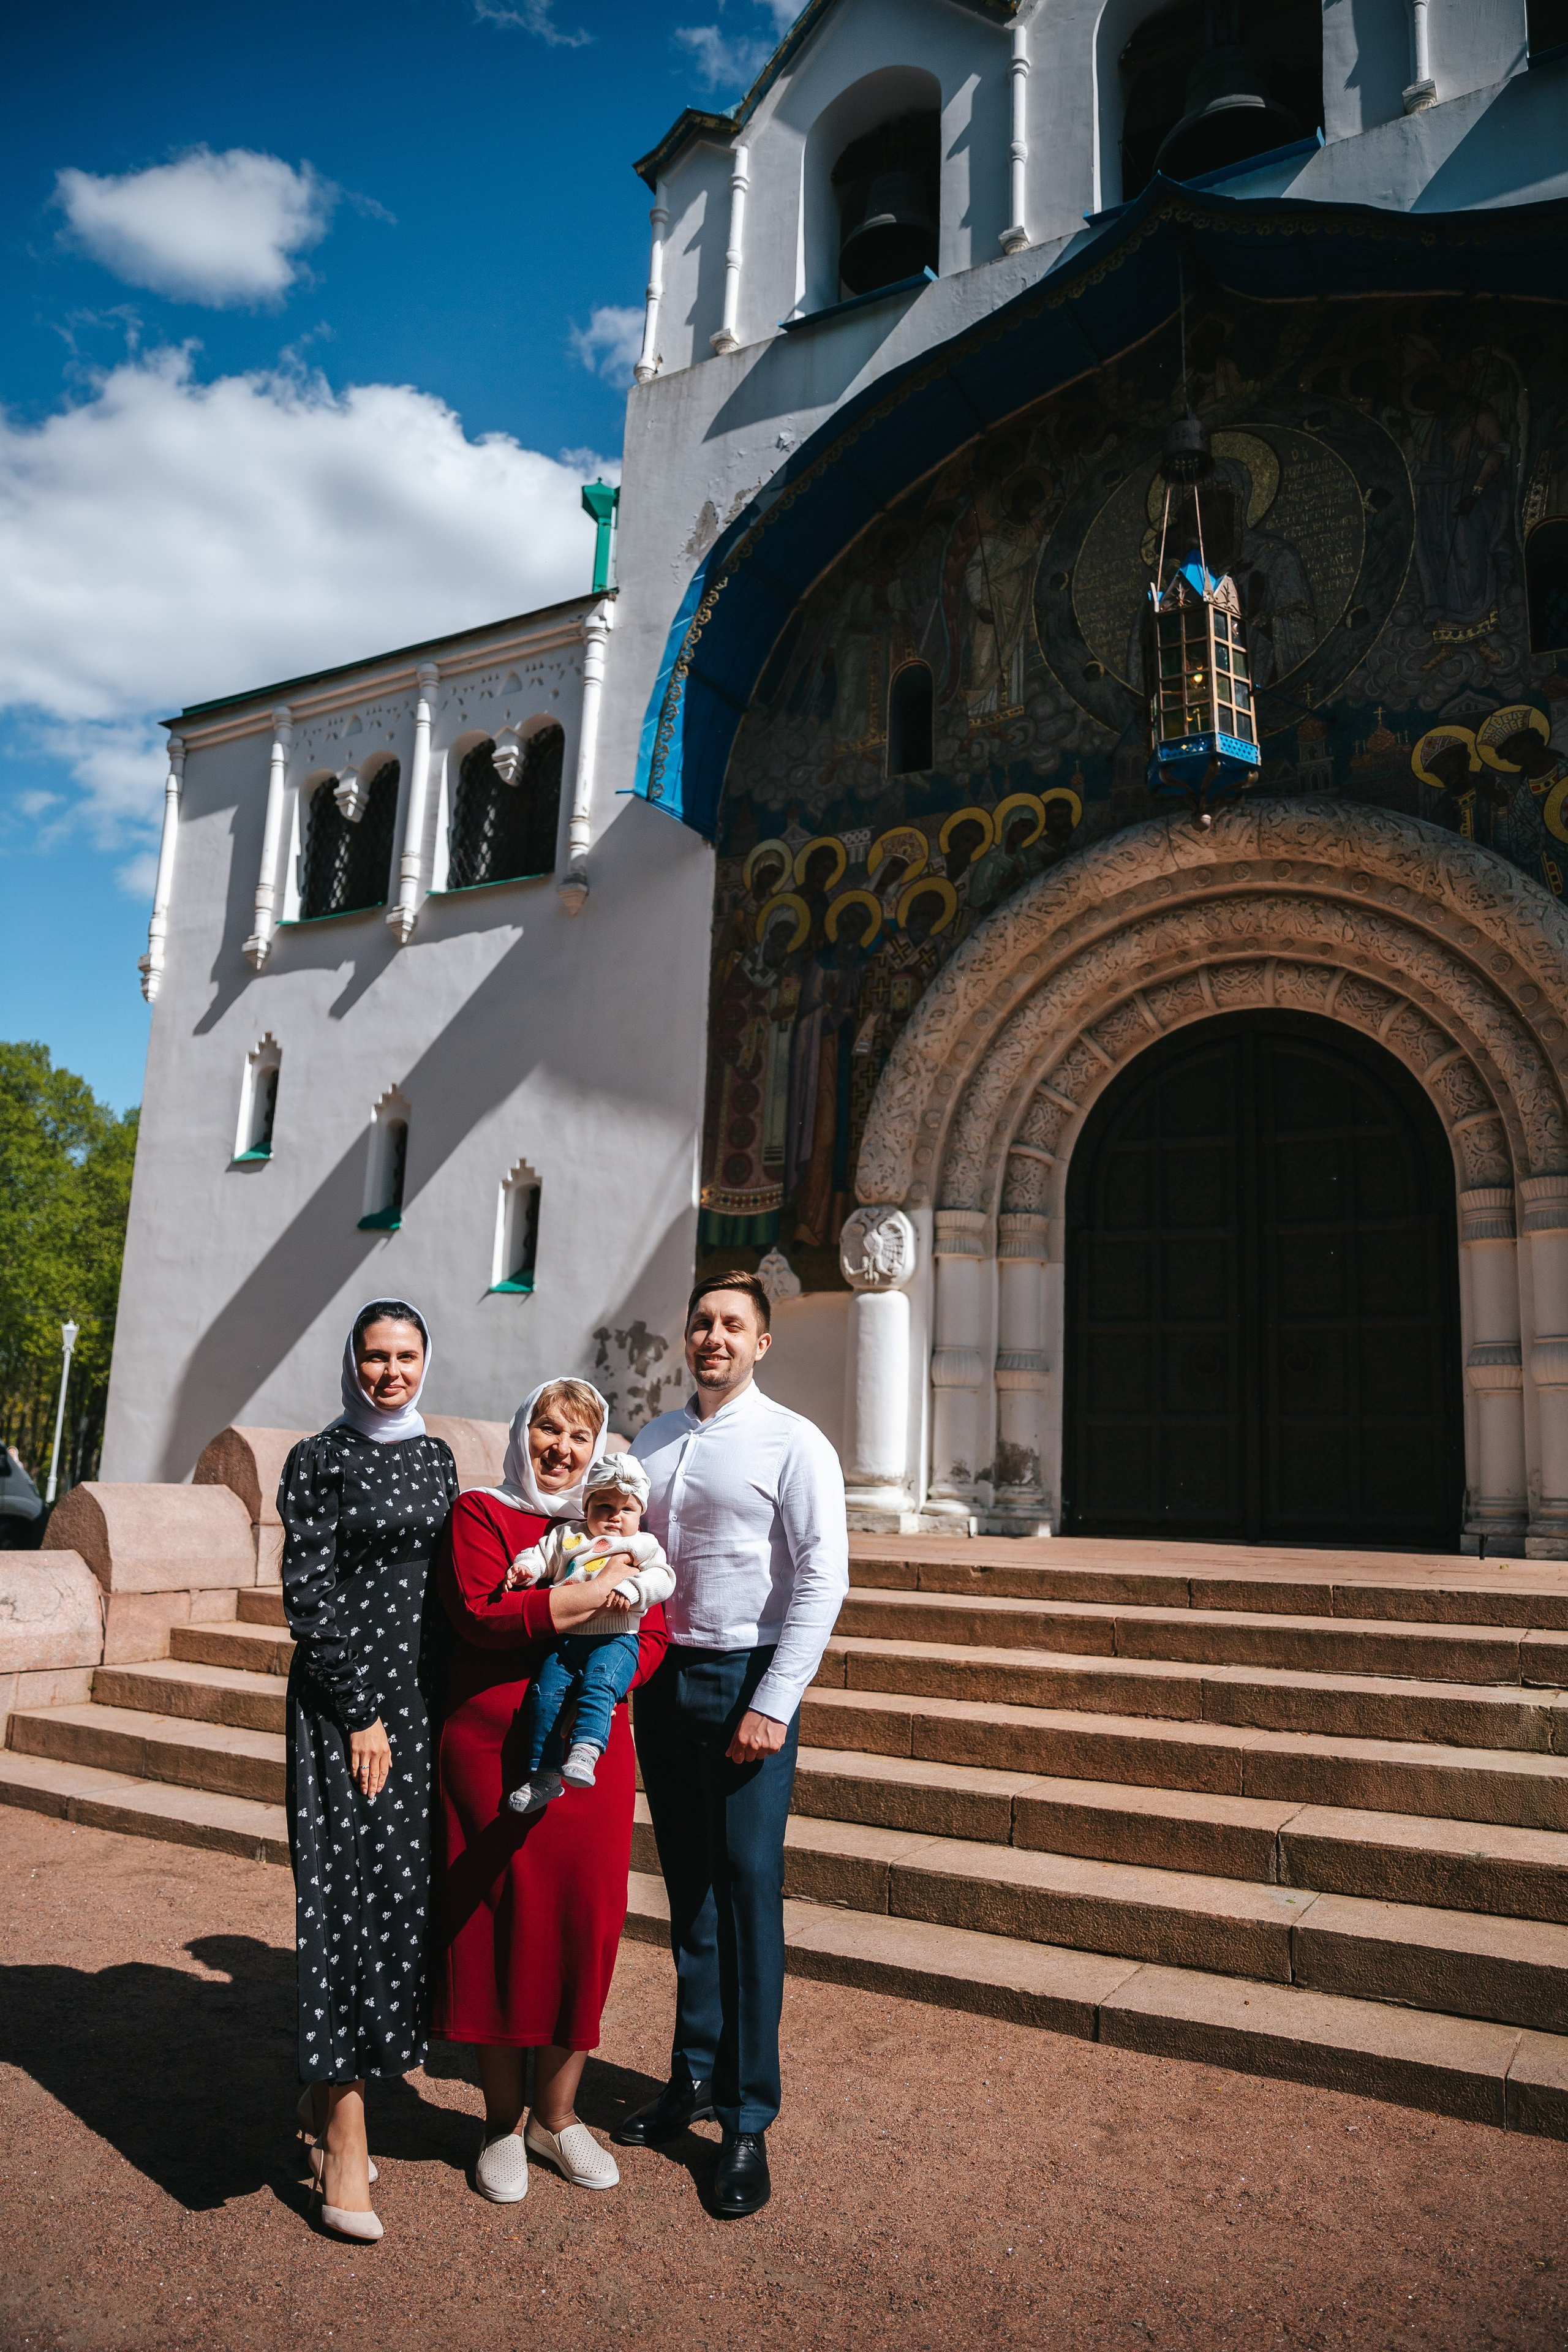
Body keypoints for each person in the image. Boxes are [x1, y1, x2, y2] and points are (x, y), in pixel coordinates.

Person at [617, 1272, 848, 2218]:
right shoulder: (652, 1441)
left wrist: (776, 1701)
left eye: (733, 1325)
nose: (714, 1337)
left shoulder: (795, 1441)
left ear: (761, 1343)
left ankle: (748, 2118)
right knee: (691, 1891)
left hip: (750, 1678)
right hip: (666, 1679)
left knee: (749, 1891)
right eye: (703, 1322)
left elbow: (824, 1576)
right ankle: (694, 2077)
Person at [430, 1379, 669, 2207]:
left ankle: (557, 2118)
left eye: (579, 1436)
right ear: (521, 1432)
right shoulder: (482, 1514)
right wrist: (592, 1599)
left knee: (582, 1925)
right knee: (495, 1925)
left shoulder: (619, 1520)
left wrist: (607, 1675)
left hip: (589, 1756)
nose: (561, 1449)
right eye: (547, 1428)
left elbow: (654, 1634)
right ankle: (501, 2123)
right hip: (490, 1750)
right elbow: (481, 1613)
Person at [279, 1298, 458, 2244]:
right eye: (376, 1356)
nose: (391, 1372)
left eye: (406, 1355)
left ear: (426, 1361)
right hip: (346, 1711)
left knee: (395, 1904)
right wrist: (360, 1715)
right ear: (352, 1361)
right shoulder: (321, 1458)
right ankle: (346, 2142)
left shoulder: (437, 1458)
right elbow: (307, 1598)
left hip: (418, 1711)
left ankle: (321, 2098)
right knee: (340, 1909)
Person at [502, 1451, 674, 1812]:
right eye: (604, 1506)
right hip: (566, 1638)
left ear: (640, 1515)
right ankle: (545, 1776)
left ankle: (586, 1749)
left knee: (600, 1685)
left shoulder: (643, 1544)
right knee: (545, 1694)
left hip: (616, 1639)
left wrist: (634, 1589)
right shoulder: (567, 1535)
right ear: (586, 1506)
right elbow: (541, 1556)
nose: (615, 1516)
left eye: (627, 1509)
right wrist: (526, 1569)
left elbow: (664, 1578)